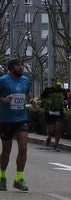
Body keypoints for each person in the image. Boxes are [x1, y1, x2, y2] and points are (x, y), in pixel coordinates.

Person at [0, 58, 32, 191]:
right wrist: (3, 99)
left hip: (21, 118)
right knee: (6, 150)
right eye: (18, 66)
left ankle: (19, 179)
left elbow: (26, 95)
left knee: (23, 148)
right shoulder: (2, 81)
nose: (21, 67)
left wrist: (32, 101)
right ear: (11, 68)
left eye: (22, 65)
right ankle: (2, 177)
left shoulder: (26, 80)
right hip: (6, 119)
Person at [40, 77, 67, 151]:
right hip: (49, 111)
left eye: (59, 85)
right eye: (57, 85)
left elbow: (66, 99)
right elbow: (41, 98)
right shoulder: (48, 90)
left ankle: (56, 144)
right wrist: (47, 100)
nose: (58, 86)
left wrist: (65, 102)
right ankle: (49, 136)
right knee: (51, 129)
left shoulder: (63, 91)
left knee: (58, 128)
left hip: (59, 110)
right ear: (53, 83)